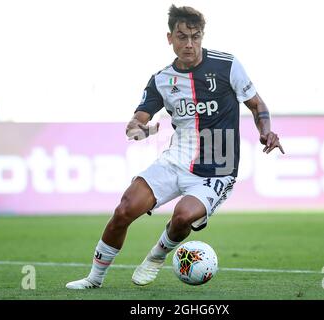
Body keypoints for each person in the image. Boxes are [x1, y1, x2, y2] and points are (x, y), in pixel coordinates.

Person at [66, 4, 284, 289]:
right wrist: (141, 129)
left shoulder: (227, 65)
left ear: (202, 36)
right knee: (123, 210)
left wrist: (266, 132)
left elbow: (257, 105)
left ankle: (156, 256)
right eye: (182, 37)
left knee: (182, 216)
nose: (189, 44)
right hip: (174, 161)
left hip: (217, 170)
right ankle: (94, 279)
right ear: (170, 38)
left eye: (195, 36)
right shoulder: (162, 80)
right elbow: (135, 123)